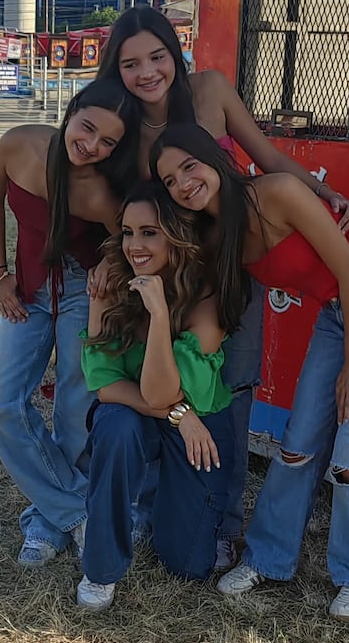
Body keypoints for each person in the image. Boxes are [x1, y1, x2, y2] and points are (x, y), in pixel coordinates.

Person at [96, 5, 349, 564]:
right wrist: (108, 259)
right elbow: (105, 194)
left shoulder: (212, 90)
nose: (147, 72)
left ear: (175, 51)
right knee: (154, 382)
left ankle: (221, 520)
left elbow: (268, 157)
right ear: (115, 69)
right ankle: (155, 510)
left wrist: (328, 196)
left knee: (231, 391)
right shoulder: (119, 119)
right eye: (130, 63)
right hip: (163, 278)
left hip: (231, 272)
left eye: (157, 56)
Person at [153, 125, 349, 617]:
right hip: (336, 313)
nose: (183, 183)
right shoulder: (216, 236)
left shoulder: (277, 192)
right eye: (170, 180)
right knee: (296, 446)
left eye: (189, 167)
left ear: (213, 159)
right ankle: (267, 558)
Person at [0, 79, 140, 565]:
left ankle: (48, 523)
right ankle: (76, 510)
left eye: (108, 142)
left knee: (74, 411)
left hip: (80, 293)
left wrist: (111, 262)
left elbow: (123, 241)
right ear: (70, 113)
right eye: (87, 128)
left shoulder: (99, 190)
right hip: (26, 287)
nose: (92, 146)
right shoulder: (17, 143)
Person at [77, 182, 235, 611]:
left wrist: (160, 313)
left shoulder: (206, 297)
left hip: (200, 423)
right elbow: (106, 384)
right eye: (128, 232)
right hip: (163, 416)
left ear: (177, 234)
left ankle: (163, 516)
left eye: (150, 232)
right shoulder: (110, 281)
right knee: (115, 425)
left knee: (189, 565)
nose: (135, 245)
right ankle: (101, 567)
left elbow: (164, 389)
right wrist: (179, 413)